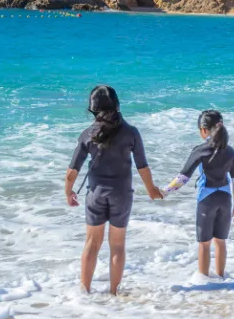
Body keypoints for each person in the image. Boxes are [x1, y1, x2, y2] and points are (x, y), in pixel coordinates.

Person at [66, 86, 164, 295]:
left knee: (92, 243)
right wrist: (151, 190)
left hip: (95, 195)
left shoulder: (87, 134)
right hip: (122, 195)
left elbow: (72, 170)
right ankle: (114, 293)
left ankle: (84, 292)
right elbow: (142, 167)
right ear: (118, 105)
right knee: (117, 245)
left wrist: (69, 192)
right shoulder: (131, 133)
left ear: (92, 110)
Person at [163, 110, 234, 278]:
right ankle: (222, 279)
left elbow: (183, 178)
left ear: (204, 130)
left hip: (207, 200)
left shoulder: (200, 150)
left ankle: (204, 282)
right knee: (221, 242)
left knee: (204, 245)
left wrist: (165, 192)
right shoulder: (230, 151)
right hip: (225, 199)